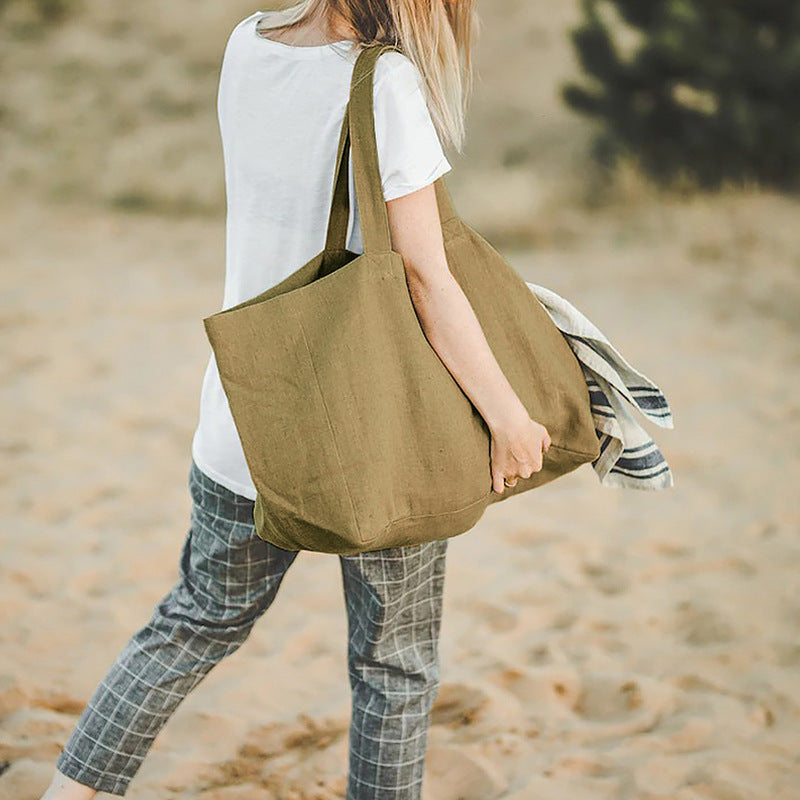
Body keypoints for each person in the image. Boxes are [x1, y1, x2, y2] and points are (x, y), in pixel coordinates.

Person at [41, 1, 551, 798]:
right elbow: (425, 276)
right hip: (373, 434)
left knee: (190, 624)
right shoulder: (384, 82)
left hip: (245, 418)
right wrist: (510, 418)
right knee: (395, 667)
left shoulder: (249, 43)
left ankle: (67, 792)